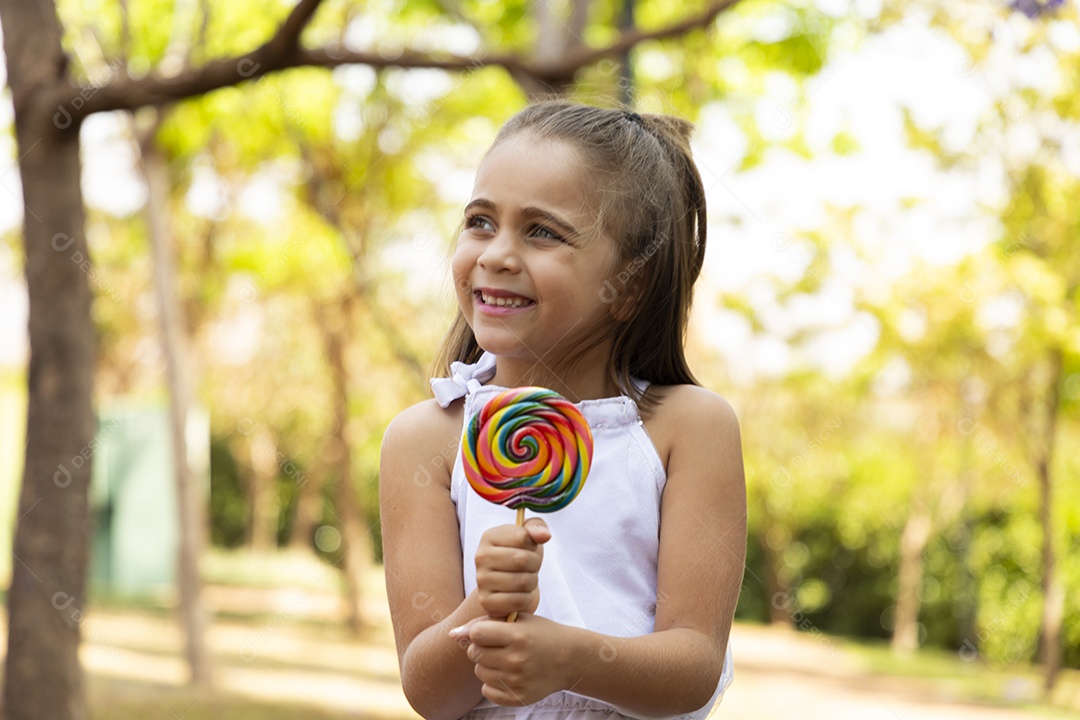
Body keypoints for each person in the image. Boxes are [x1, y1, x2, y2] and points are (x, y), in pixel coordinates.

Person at [379, 100, 747, 720]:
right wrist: (486, 606)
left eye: (542, 231)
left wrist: (572, 659)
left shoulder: (689, 427)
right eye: (480, 221)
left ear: (629, 284)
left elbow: (694, 666)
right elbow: (429, 693)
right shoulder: (426, 439)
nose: (496, 254)